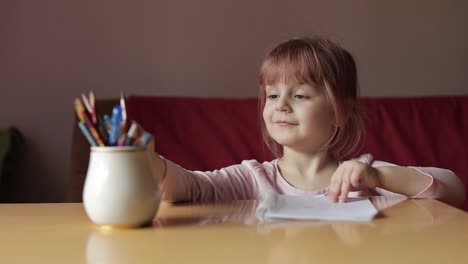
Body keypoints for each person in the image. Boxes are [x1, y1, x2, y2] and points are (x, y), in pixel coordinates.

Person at [149, 36, 466, 208]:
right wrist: (148, 161)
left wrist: (378, 176)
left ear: (339, 110)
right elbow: (191, 187)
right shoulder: (253, 178)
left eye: (300, 96)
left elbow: (452, 189)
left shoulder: (361, 179)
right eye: (272, 96)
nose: (281, 105)